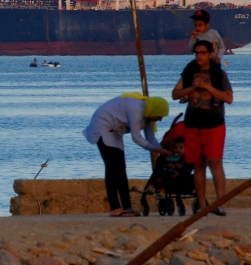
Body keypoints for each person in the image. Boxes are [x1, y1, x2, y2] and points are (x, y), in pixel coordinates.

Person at [172, 40, 234, 215]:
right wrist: (192, 87)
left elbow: (228, 98)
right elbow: (175, 94)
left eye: (202, 53)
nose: (199, 56)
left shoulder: (218, 75)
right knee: (198, 165)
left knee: (215, 163)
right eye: (196, 53)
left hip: (214, 125)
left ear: (210, 54)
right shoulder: (189, 72)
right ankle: (201, 204)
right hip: (193, 125)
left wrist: (207, 86)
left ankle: (220, 203)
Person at [83, 94, 169, 217]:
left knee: (121, 169)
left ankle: (127, 207)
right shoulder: (137, 109)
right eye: (160, 116)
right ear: (154, 110)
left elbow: (150, 137)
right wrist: (155, 149)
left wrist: (162, 150)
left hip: (115, 131)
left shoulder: (147, 115)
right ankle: (115, 208)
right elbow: (136, 138)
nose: (160, 119)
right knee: (112, 168)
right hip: (103, 126)